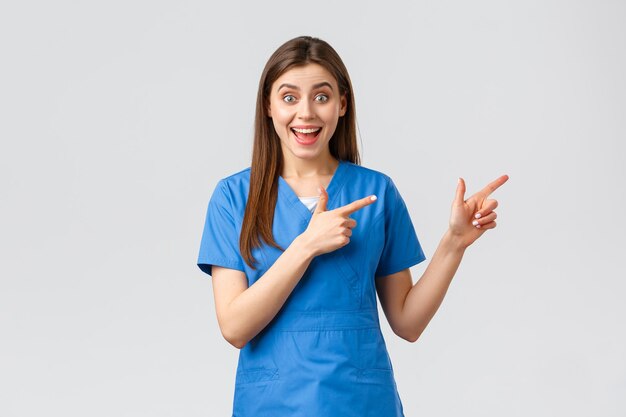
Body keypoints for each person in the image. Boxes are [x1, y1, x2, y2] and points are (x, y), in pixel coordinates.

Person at [197, 35, 509, 417]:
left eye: (322, 97)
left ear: (342, 104)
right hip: (272, 405)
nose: (306, 113)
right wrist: (307, 244)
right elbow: (234, 326)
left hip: (361, 402)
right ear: (268, 106)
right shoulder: (233, 197)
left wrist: (455, 242)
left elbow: (408, 323)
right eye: (290, 97)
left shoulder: (375, 191)